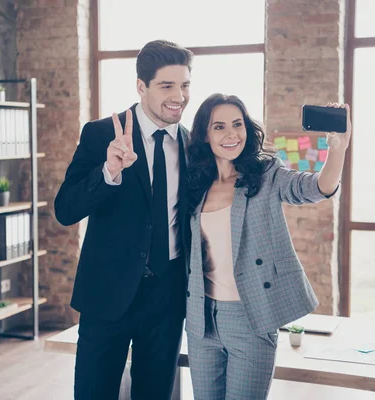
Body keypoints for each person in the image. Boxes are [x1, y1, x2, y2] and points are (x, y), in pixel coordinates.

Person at [184, 93, 351, 399]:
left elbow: (317, 188)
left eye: (237, 124)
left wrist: (337, 149)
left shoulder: (265, 174)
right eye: (219, 127)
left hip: (251, 318)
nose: (231, 134)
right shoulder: (194, 184)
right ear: (205, 135)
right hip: (202, 320)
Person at [54, 40, 193, 399]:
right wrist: (109, 170)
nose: (178, 95)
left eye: (185, 85)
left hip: (167, 297)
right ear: (141, 86)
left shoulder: (194, 146)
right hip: (107, 294)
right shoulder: (101, 134)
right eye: (167, 86)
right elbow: (65, 209)